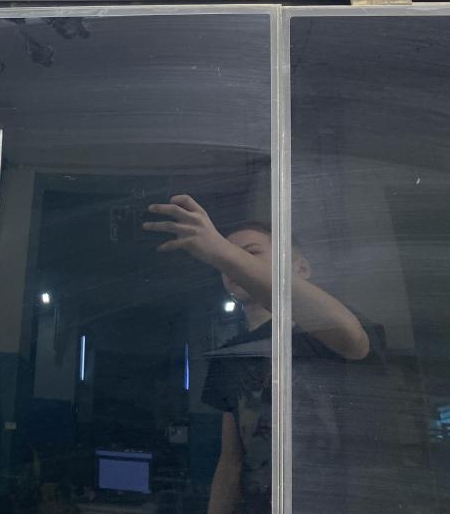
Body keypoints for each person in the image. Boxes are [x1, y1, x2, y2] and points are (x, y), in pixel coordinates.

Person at [142, 195, 377, 514]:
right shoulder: (231, 355)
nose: (233, 263)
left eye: (250, 253)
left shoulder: (322, 328)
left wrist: (222, 250)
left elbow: (352, 340)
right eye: (227, 260)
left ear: (301, 267)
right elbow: (231, 462)